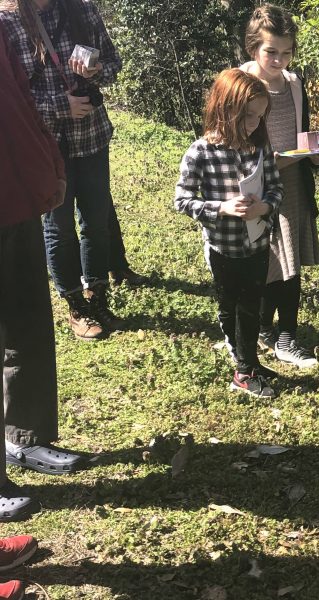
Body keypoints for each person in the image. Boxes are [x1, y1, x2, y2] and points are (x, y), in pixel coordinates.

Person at [2, 18, 82, 600]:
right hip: (10, 196)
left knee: (25, 324)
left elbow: (18, 105)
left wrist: (46, 164)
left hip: (16, 198)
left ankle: (20, 437)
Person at [0, 0, 133, 341]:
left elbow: (114, 65)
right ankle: (76, 305)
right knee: (57, 226)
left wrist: (95, 70)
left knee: (96, 221)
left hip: (91, 136)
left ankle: (98, 297)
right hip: (46, 145)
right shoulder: (9, 23)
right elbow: (15, 99)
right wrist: (61, 105)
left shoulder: (83, 10)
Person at [175, 69, 284, 399]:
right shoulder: (201, 152)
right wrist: (221, 208)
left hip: (258, 241)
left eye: (260, 116)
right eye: (248, 115)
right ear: (225, 108)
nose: (254, 123)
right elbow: (182, 199)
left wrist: (263, 208)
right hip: (223, 248)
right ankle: (242, 369)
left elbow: (275, 189)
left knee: (251, 304)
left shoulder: (258, 148)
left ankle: (247, 363)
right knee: (231, 306)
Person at [241, 4, 319, 369]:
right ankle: (263, 328)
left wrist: (318, 153)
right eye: (271, 52)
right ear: (253, 49)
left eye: (287, 52)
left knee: (290, 259)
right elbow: (233, 144)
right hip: (255, 184)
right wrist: (297, 156)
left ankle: (287, 336)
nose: (279, 60)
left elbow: (301, 134)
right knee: (266, 261)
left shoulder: (294, 84)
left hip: (292, 184)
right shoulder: (238, 83)